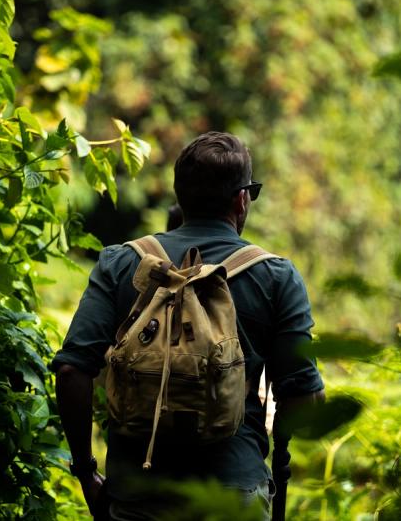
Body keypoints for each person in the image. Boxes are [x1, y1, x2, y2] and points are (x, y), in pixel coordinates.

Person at [51, 131, 325, 520]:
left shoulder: (121, 263)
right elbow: (302, 398)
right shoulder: (275, 276)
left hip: (136, 497)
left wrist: (86, 472)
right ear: (242, 198)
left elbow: (70, 371)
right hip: (234, 496)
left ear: (179, 196)